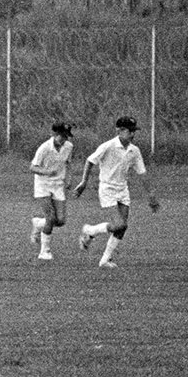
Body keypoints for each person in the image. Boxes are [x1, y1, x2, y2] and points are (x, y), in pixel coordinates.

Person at [73, 115, 160, 268]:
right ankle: (90, 230)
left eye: (134, 131)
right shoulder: (108, 146)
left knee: (122, 227)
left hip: (123, 189)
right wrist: (83, 182)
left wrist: (151, 195)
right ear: (120, 131)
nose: (132, 134)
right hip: (107, 188)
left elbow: (142, 173)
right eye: (129, 131)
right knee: (118, 224)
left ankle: (105, 259)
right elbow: (90, 161)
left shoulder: (134, 150)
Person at [28, 121, 75, 261]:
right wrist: (47, 172)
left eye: (66, 136)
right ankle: (44, 252)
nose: (64, 139)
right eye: (62, 136)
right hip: (43, 184)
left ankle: (38, 224)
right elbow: (32, 167)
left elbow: (68, 164)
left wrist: (69, 179)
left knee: (60, 220)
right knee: (50, 217)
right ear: (54, 134)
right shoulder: (44, 148)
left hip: (58, 185)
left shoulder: (69, 147)